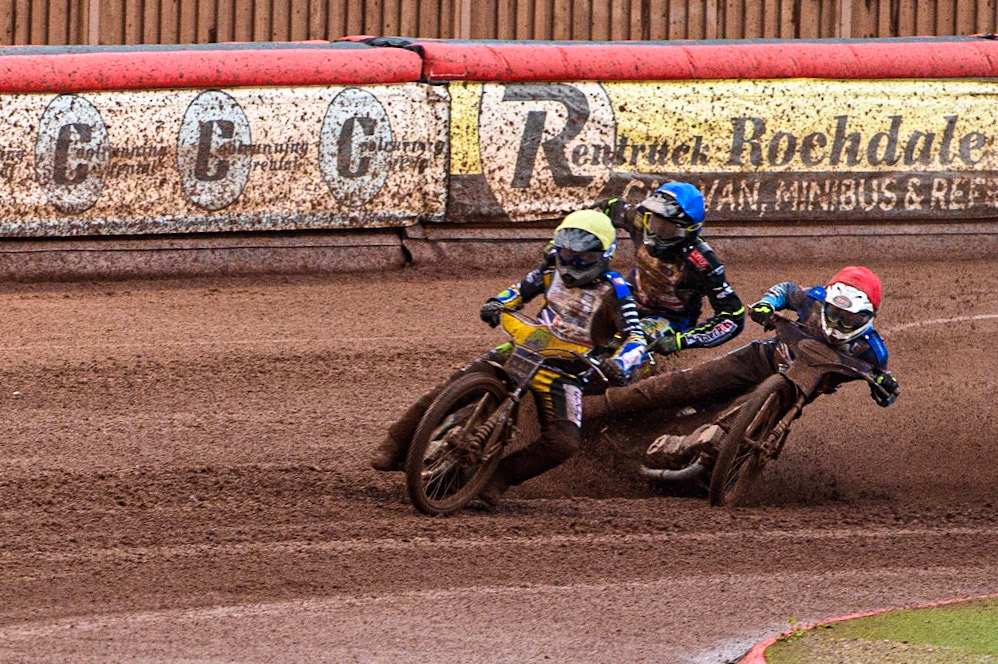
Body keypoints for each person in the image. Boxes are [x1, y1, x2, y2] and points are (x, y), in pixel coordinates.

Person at [370, 210, 648, 492]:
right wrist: (497, 304)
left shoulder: (617, 290)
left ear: (605, 255)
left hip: (567, 369)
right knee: (451, 387)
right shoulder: (551, 268)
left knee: (563, 443)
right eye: (566, 252)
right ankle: (395, 443)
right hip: (527, 347)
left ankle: (497, 479)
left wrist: (621, 363)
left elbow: (636, 336)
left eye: (583, 257)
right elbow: (518, 290)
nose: (571, 263)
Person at [585, 266, 901, 469]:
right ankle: (590, 408)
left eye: (850, 319)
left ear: (869, 316)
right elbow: (785, 289)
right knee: (683, 385)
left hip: (790, 395)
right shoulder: (813, 299)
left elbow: (885, 390)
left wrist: (885, 390)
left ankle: (683, 451)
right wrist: (767, 304)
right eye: (835, 313)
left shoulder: (874, 351)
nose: (840, 322)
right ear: (827, 301)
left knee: (721, 427)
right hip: (757, 359)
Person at [596, 181, 745, 359]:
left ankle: (620, 372)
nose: (657, 233)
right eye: (654, 223)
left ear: (689, 231)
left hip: (670, 316)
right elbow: (607, 208)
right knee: (587, 309)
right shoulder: (640, 219)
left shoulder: (702, 263)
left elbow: (733, 316)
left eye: (668, 230)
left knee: (631, 340)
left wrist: (681, 340)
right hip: (630, 294)